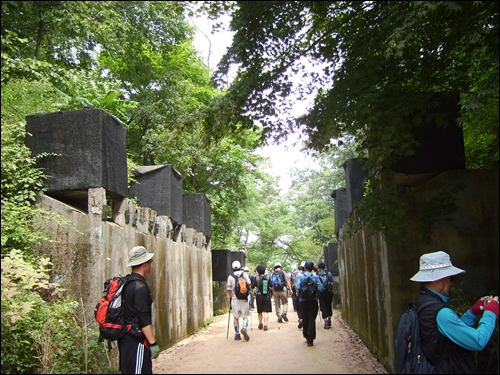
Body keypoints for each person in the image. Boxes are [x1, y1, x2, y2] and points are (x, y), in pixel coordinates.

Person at [409, 251, 498, 373]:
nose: (451, 282)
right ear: (438, 280)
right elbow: (478, 341)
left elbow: (448, 333)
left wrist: (472, 313)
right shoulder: (440, 312)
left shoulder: (421, 303)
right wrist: (491, 313)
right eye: (451, 278)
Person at [118, 245, 160, 374]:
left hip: (126, 339)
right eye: (149, 261)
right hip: (136, 341)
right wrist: (153, 343)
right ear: (144, 264)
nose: (151, 263)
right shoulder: (140, 287)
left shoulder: (127, 283)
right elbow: (143, 317)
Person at [294, 261, 324, 347]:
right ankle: (310, 339)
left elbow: (297, 287)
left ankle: (306, 335)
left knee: (305, 318)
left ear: (305, 268)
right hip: (313, 300)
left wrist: (298, 295)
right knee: (311, 319)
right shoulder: (316, 277)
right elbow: (321, 288)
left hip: (303, 301)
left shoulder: (300, 276)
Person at [226, 260, 252, 341]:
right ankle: (244, 327)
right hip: (244, 298)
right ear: (240, 267)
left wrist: (230, 296)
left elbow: (228, 288)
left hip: (235, 299)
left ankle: (237, 334)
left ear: (232, 268)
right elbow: (249, 283)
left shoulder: (230, 277)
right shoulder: (244, 274)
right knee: (245, 316)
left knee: (236, 317)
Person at [251, 263, 272, 331]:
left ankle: (260, 324)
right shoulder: (268, 277)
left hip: (259, 296)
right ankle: (266, 325)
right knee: (266, 311)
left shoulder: (255, 277)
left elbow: (252, 286)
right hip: (266, 295)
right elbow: (271, 285)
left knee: (259, 311)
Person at [317, 262, 335, 329]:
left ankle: (325, 322)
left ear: (318, 267)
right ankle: (329, 320)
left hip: (321, 293)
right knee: (329, 306)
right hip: (328, 293)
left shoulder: (317, 275)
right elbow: (332, 283)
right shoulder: (329, 273)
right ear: (325, 266)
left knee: (323, 307)